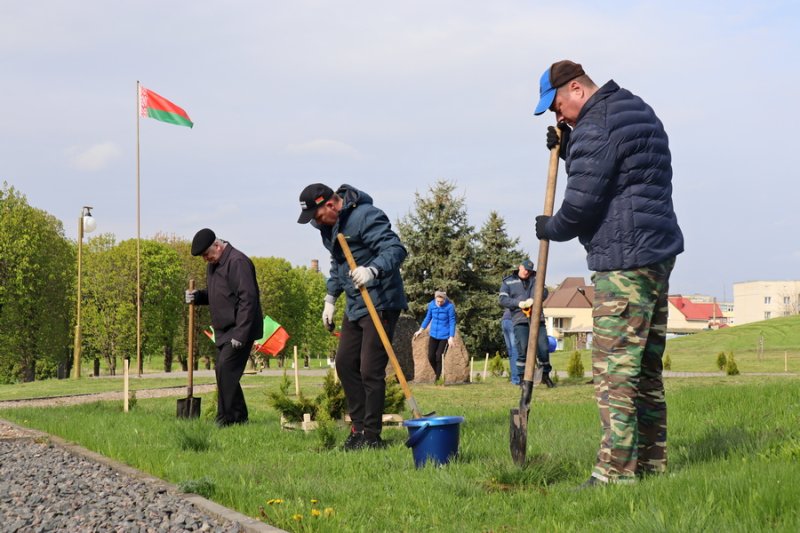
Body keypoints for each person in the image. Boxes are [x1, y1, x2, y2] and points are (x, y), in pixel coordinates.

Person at [533, 60, 684, 486]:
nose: (558, 116)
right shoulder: (635, 109)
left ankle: (615, 472)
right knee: (645, 371)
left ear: (577, 88)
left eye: (558, 106)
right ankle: (651, 465)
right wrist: (569, 149)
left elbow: (581, 206)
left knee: (614, 372)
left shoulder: (595, 126)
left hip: (623, 260)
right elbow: (621, 175)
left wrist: (551, 227)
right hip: (656, 253)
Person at [297, 183, 408, 450]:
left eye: (317, 215)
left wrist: (373, 269)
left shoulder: (366, 216)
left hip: (380, 300)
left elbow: (395, 249)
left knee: (370, 369)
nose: (315, 221)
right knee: (345, 363)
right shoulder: (328, 227)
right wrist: (330, 298)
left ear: (331, 205)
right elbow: (339, 263)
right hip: (356, 303)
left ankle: (372, 436)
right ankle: (358, 428)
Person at [184, 228, 263, 427]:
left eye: (206, 255)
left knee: (225, 369)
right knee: (223, 372)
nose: (205, 259)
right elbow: (217, 294)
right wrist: (198, 296)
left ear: (217, 246)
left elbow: (248, 299)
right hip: (223, 330)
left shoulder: (237, 262)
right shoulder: (214, 264)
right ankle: (237, 416)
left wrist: (241, 333)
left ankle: (228, 419)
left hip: (239, 329)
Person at [499, 259, 553, 388]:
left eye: (529, 270)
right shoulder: (508, 281)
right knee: (522, 349)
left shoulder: (536, 279)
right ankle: (522, 378)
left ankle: (545, 375)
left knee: (543, 348)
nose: (526, 272)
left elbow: (545, 293)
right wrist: (518, 303)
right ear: (520, 267)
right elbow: (502, 299)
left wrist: (535, 299)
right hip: (519, 319)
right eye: (525, 269)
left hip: (537, 318)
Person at [413, 290, 457, 381]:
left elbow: (452, 322)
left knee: (439, 356)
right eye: (438, 301)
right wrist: (420, 330)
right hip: (433, 334)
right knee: (431, 356)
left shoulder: (449, 307)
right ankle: (438, 373)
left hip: (444, 336)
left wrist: (451, 337)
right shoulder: (431, 305)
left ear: (444, 299)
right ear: (435, 299)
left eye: (441, 301)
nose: (440, 303)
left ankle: (437, 379)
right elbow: (428, 318)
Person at [501, 308, 521, 385]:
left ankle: (514, 378)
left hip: (504, 320)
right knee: (515, 351)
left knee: (511, 352)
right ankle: (516, 380)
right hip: (513, 320)